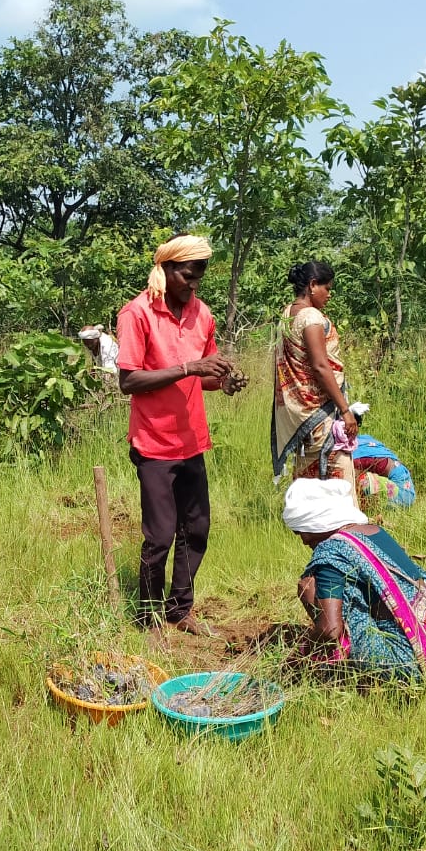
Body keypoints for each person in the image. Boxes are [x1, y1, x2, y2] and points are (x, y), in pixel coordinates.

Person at [116, 233, 246, 638]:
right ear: (167, 269)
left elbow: (204, 373)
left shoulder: (201, 313)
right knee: (159, 537)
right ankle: (148, 617)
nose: (193, 284)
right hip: (154, 443)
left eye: (199, 276)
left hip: (192, 441)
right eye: (188, 275)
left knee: (196, 528)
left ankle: (180, 609)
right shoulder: (137, 313)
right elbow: (129, 380)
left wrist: (222, 381)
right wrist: (189, 368)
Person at [282, 478, 426, 691]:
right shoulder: (373, 531)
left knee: (309, 588)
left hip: (409, 668)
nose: (304, 540)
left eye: (301, 531)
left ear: (317, 520)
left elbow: (330, 629)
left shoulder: (331, 550)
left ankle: (344, 669)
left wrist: (301, 657)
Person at [272, 260, 358, 483]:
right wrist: (345, 410)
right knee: (339, 476)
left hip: (299, 414)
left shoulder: (287, 313)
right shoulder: (311, 317)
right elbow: (320, 367)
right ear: (312, 285)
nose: (329, 295)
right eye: (326, 288)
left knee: (307, 479)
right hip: (319, 412)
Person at [353, 434, 416, 508]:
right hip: (404, 482)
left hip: (403, 495)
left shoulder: (358, 458)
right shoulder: (362, 442)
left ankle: (367, 507)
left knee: (362, 481)